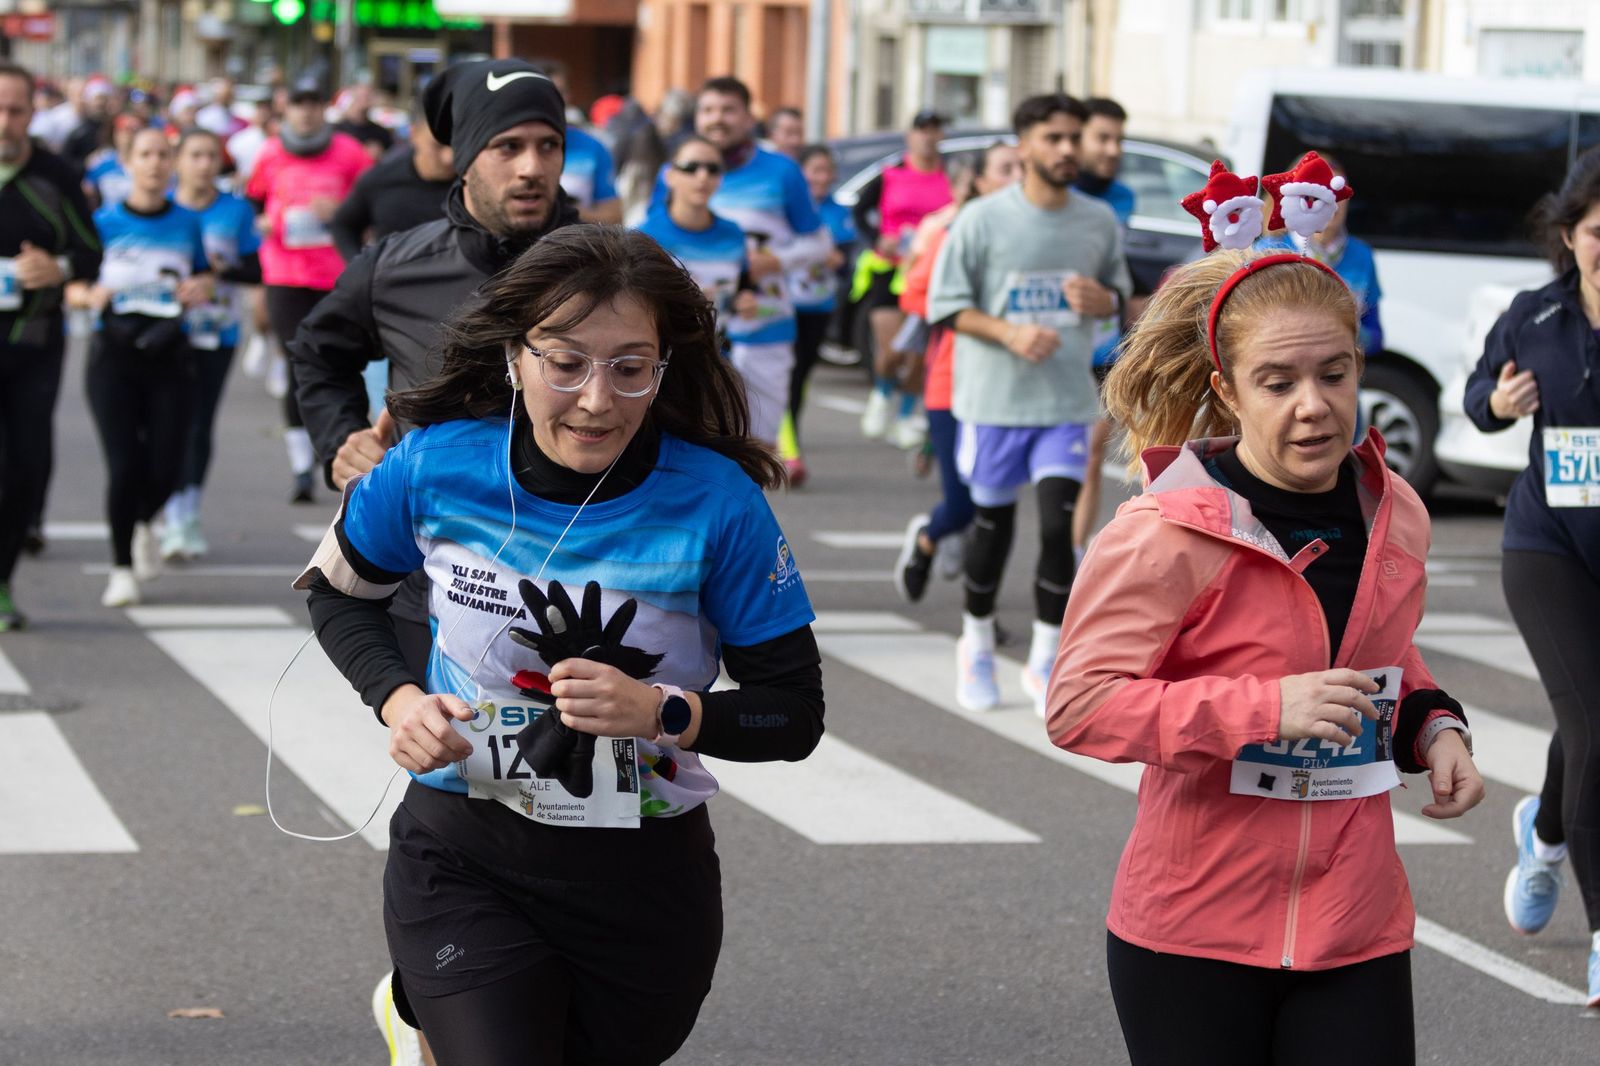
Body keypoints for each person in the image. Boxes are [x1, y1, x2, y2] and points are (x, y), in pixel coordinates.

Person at [296, 225, 823, 1065]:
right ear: (515, 356)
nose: (595, 400)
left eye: (629, 367)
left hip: (645, 877)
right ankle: (431, 1013)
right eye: (565, 362)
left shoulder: (717, 504)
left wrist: (664, 711)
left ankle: (416, 1023)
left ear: (664, 367)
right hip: (464, 847)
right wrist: (399, 701)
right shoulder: (436, 465)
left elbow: (795, 716)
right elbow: (337, 593)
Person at [1047, 244, 1484, 1065]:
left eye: (1335, 374)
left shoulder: (1401, 513)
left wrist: (1433, 725)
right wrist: (1266, 709)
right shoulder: (1167, 530)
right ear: (1227, 391)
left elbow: (1379, 654)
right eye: (1278, 383)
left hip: (1355, 924)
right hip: (1192, 932)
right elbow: (1081, 705)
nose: (1314, 406)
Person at [290, 57, 585, 1065]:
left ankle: (467, 990)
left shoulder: (605, 262)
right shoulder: (398, 261)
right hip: (432, 577)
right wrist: (342, 438)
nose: (532, 165)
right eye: (508, 146)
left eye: (547, 143)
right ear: (464, 160)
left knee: (553, 799)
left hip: (578, 578)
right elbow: (318, 350)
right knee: (458, 791)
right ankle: (435, 996)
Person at [927, 93, 1129, 714]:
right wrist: (1011, 332)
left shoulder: (1097, 221)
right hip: (993, 402)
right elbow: (945, 305)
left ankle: (1046, 657)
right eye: (1055, 138)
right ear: (1025, 145)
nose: (1068, 150)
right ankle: (978, 638)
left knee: (1055, 525)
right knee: (993, 525)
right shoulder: (983, 220)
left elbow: (1119, 293)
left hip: (1066, 400)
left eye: (1076, 138)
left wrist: (1106, 301)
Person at [1466, 147, 1600, 1008]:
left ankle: (1545, 833)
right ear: (1569, 236)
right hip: (1547, 541)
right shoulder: (1536, 315)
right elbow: (1479, 395)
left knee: (1589, 724)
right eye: (1599, 231)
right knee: (1597, 724)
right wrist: (1499, 404)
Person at [66, 128, 215, 607]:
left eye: (163, 155)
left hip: (170, 354)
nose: (154, 164)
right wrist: (91, 295)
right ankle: (121, 567)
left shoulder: (188, 223)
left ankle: (145, 521)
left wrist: (203, 286)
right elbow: (72, 286)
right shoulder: (102, 222)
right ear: (127, 163)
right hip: (114, 356)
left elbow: (203, 274)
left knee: (168, 466)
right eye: (144, 155)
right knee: (124, 463)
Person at [649, 76, 830, 449]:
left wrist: (775, 261)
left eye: (729, 110)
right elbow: (649, 246)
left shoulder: (781, 171)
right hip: (692, 332)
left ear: (749, 117)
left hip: (763, 323)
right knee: (692, 446)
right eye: (709, 110)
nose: (718, 119)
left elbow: (819, 242)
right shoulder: (674, 172)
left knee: (758, 448)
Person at [894, 140, 1021, 603]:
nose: (1018, 178)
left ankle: (982, 616)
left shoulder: (1039, 235)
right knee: (964, 505)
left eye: (1022, 168)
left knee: (996, 510)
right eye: (1006, 169)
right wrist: (971, 308)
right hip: (953, 384)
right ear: (980, 183)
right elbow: (914, 295)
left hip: (1011, 388)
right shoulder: (955, 231)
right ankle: (928, 538)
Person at [0, 62, 103, 631]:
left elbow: (91, 253)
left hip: (33, 346)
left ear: (32, 113)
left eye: (15, 109)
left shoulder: (54, 174)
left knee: (24, 467)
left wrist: (57, 266)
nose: (5, 120)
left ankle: (3, 578)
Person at [246, 74, 372, 503]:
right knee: (301, 364)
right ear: (286, 109)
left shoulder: (349, 152)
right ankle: (302, 468)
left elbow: (370, 205)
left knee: (339, 366)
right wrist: (262, 220)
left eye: (313, 102)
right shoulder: (270, 152)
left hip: (337, 275)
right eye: (298, 103)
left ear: (324, 108)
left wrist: (341, 212)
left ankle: (338, 453)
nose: (306, 110)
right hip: (285, 272)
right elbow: (254, 199)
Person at [161, 128, 262, 561]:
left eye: (210, 156)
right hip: (164, 332)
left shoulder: (234, 211)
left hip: (217, 331)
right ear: (178, 161)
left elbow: (256, 270)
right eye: (194, 155)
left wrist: (220, 272)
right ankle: (164, 509)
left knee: (199, 422)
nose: (204, 164)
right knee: (165, 423)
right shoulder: (162, 208)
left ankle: (187, 513)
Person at [855, 109, 952, 449]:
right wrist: (876, 238)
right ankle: (882, 394)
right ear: (910, 136)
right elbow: (858, 212)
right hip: (890, 270)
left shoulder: (949, 178)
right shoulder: (890, 174)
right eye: (921, 129)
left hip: (928, 274)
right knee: (893, 348)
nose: (928, 136)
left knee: (919, 352)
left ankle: (907, 413)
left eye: (934, 129)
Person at [1070, 96, 1138, 564]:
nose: (1112, 149)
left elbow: (1118, 270)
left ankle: (1071, 559)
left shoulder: (1123, 198)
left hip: (1101, 345)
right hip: (1043, 345)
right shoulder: (1058, 194)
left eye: (1119, 139)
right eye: (1102, 138)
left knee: (1091, 452)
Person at [776, 143, 856, 485]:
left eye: (827, 171)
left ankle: (787, 439)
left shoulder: (838, 211)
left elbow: (846, 256)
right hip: (783, 305)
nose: (821, 177)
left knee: (803, 374)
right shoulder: (787, 209)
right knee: (786, 376)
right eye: (814, 170)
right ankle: (789, 453)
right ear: (801, 174)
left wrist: (836, 260)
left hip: (819, 306)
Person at [1258, 152, 1383, 357]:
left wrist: (1345, 331)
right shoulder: (1267, 252)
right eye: (1319, 189)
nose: (1330, 199)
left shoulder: (1362, 255)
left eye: (1338, 189)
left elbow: (1377, 337)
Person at [636, 135, 758, 338]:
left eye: (713, 169)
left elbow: (743, 287)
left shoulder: (734, 233)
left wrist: (745, 301)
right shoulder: (643, 237)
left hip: (719, 351)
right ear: (669, 175)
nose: (703, 177)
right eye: (691, 167)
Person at [330, 97, 455, 262]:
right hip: (395, 282)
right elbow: (343, 225)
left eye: (455, 145)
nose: (449, 157)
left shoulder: (474, 182)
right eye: (437, 146)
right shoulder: (380, 179)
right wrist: (360, 270)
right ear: (414, 134)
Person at [537, 62, 623, 225]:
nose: (552, 99)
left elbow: (614, 217)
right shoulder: (504, 144)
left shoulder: (593, 147)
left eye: (560, 92)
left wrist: (567, 211)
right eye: (542, 91)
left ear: (569, 95)